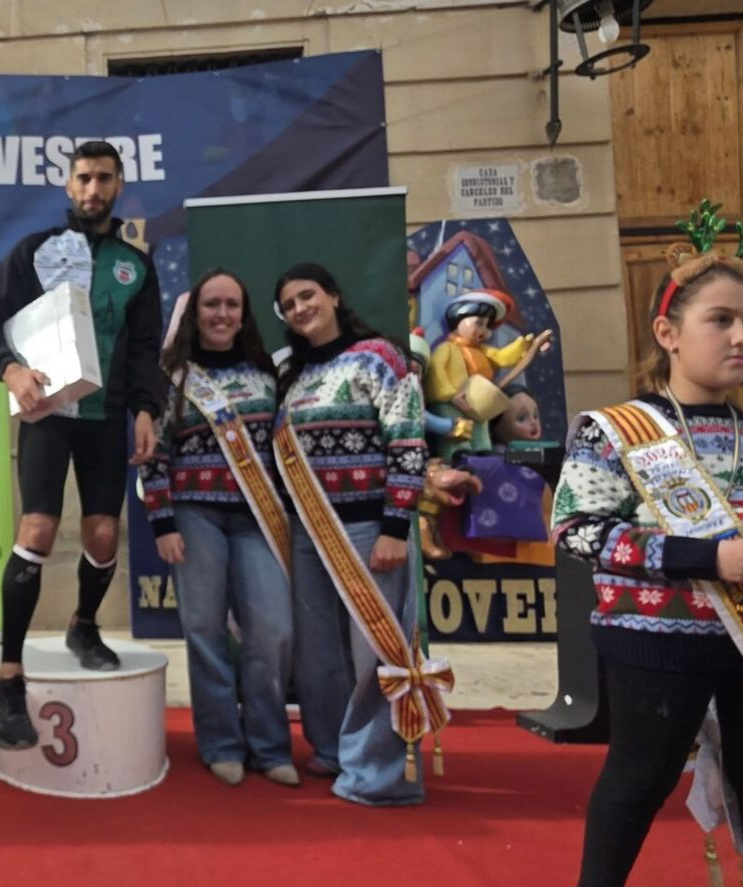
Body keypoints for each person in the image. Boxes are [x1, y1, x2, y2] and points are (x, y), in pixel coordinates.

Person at [553, 247, 743, 886]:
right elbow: (576, 531)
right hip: (656, 638)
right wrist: (706, 557)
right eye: (721, 319)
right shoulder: (614, 431)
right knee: (640, 781)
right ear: (668, 333)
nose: (740, 336)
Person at [0, 140, 162, 749]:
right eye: (83, 178)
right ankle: (9, 677)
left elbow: (144, 349)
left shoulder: (136, 266)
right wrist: (10, 371)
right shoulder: (34, 251)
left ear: (119, 186)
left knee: (103, 535)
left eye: (104, 178)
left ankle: (84, 625)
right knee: (37, 530)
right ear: (68, 185)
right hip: (48, 414)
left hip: (106, 416)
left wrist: (146, 409)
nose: (93, 189)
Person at [272, 262, 440, 807]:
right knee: (318, 650)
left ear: (334, 296)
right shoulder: (290, 374)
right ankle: (333, 748)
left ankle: (379, 773)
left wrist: (395, 525)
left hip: (369, 526)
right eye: (289, 304)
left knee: (375, 651)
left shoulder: (380, 356)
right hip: (308, 531)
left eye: (308, 295)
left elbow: (408, 441)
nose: (300, 308)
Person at [140, 268, 296, 787]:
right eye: (212, 304)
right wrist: (163, 522)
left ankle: (270, 746)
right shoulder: (172, 377)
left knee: (272, 631)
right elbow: (153, 454)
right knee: (204, 630)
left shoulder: (268, 375)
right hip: (194, 514)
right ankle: (221, 743)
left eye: (232, 304)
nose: (222, 314)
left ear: (244, 313)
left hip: (258, 519)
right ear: (195, 313)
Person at [424, 290, 553, 459]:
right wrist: (451, 394)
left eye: (486, 326)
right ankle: (457, 454)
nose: (483, 331)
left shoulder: (482, 351)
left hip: (477, 400)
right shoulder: (446, 349)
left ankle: (482, 449)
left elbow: (502, 357)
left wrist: (523, 345)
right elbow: (437, 371)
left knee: (480, 426)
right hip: (452, 402)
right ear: (459, 320)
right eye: (478, 323)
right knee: (458, 428)